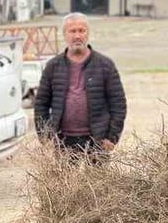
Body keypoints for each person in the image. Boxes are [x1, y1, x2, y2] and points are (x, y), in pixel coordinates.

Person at [33, 13, 127, 156]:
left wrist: (112, 137)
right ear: (64, 34)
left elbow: (118, 104)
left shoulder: (105, 65)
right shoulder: (53, 66)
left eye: (81, 30)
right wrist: (45, 137)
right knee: (65, 179)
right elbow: (41, 104)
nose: (77, 36)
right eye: (72, 31)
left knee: (97, 179)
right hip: (62, 141)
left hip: (97, 141)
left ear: (87, 33)